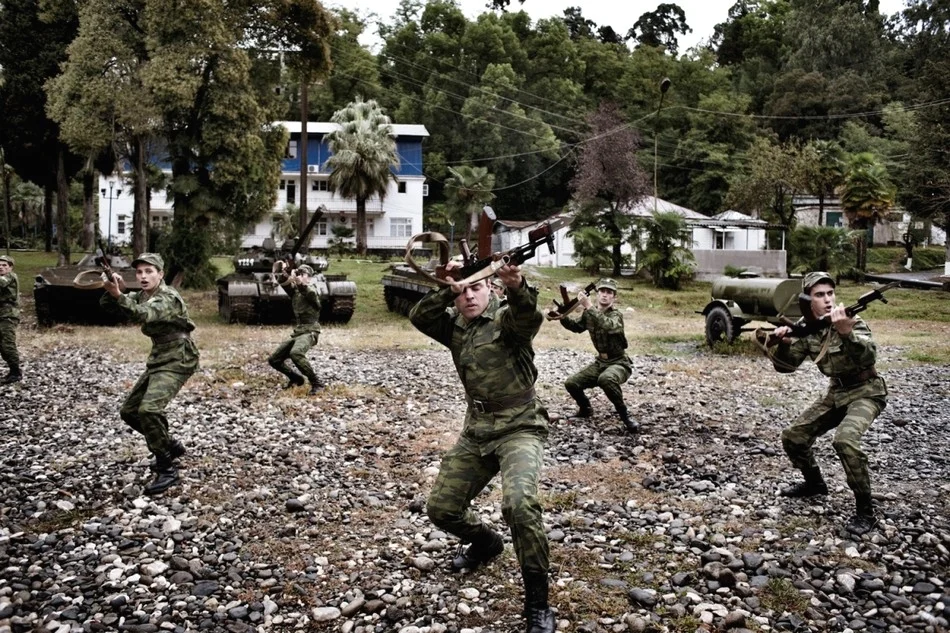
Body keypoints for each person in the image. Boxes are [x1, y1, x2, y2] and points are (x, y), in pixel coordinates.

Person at [409, 264, 555, 633]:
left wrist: (518, 286)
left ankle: (538, 603)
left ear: (491, 288)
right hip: (476, 430)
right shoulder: (455, 327)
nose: (468, 296)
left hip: (520, 427)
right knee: (441, 509)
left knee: (519, 504)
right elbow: (419, 315)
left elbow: (528, 318)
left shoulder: (506, 321)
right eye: (462, 291)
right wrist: (447, 286)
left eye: (476, 288)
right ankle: (487, 543)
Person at [768, 271, 887, 536]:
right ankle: (815, 485)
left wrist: (847, 334)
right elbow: (786, 367)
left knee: (845, 441)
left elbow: (869, 355)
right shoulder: (806, 327)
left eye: (830, 293)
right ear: (806, 300)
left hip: (867, 391)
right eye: (820, 295)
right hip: (836, 393)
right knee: (794, 436)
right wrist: (784, 343)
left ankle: (866, 512)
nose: (828, 300)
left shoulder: (848, 319)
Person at [100, 253, 199, 496]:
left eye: (149, 271)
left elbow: (141, 314)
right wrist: (116, 289)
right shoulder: (146, 294)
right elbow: (108, 307)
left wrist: (119, 295)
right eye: (139, 272)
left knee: (149, 410)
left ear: (160, 274)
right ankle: (169, 445)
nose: (143, 276)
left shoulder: (167, 297)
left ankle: (167, 469)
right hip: (160, 356)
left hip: (178, 358)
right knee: (129, 412)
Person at [557, 278, 637, 433]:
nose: (605, 295)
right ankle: (585, 409)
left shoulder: (616, 315)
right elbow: (577, 327)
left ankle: (625, 417)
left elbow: (610, 326)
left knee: (606, 379)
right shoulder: (589, 315)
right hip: (600, 362)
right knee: (571, 383)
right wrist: (562, 317)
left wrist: (589, 306)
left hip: (619, 363)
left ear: (614, 297)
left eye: (609, 293)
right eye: (602, 291)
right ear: (597, 294)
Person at [268, 263, 323, 395]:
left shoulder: (312, 289)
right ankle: (295, 378)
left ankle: (317, 383)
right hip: (299, 331)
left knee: (296, 353)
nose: (299, 277)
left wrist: (300, 283)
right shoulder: (296, 292)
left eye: (302, 274)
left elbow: (310, 294)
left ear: (308, 277)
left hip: (310, 331)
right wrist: (283, 272)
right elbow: (283, 282)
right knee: (274, 360)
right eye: (298, 274)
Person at [0, 255, 21, 385]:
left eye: (4, 265)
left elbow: (1, 283)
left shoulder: (10, 276)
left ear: (10, 267)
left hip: (8, 316)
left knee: (8, 344)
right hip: (1, 315)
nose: (1, 268)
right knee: (2, 346)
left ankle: (16, 372)